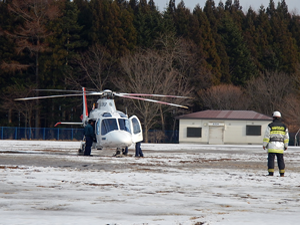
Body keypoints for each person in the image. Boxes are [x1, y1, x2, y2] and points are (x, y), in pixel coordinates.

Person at [263, 111, 289, 177]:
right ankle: (282, 173)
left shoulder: (270, 125)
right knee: (280, 160)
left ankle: (271, 173)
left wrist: (264, 144)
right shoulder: (284, 126)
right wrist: (286, 146)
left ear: (273, 118)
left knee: (271, 160)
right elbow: (286, 137)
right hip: (280, 146)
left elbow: (267, 136)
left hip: (272, 145)